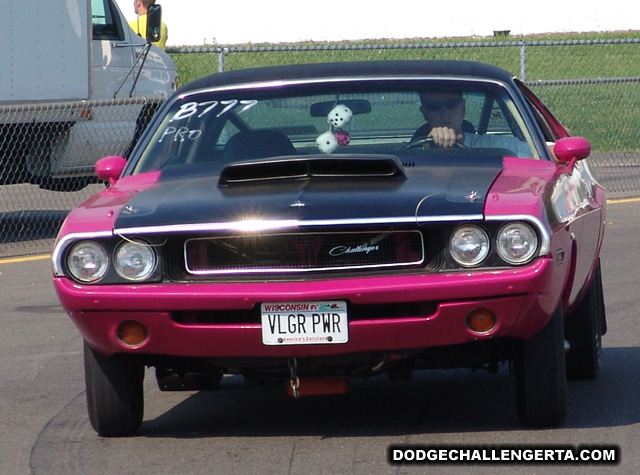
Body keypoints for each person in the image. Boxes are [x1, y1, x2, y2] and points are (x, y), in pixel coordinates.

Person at [415, 89, 532, 157]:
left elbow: (541, 153)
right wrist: (429, 147)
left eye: (452, 104)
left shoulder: (490, 146)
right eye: (435, 107)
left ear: (463, 108)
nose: (445, 113)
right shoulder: (412, 155)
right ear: (425, 113)